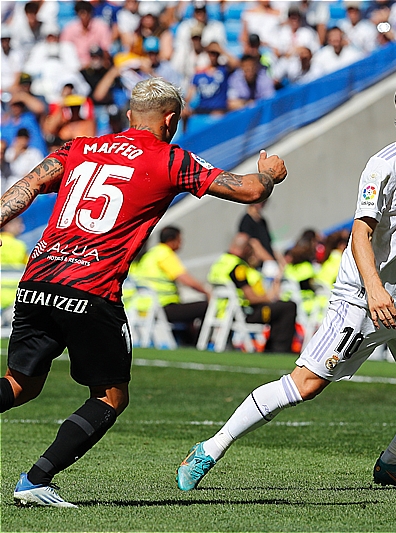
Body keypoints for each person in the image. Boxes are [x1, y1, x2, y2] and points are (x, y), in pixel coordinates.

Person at [175, 73, 396, 493]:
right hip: (361, 299)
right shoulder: (384, 166)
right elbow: (360, 233)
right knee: (305, 386)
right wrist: (374, 290)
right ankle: (209, 449)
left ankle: (392, 463)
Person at [0, 77, 288, 508]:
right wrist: (268, 174)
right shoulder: (171, 159)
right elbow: (249, 190)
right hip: (89, 291)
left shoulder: (78, 147)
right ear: (171, 120)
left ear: (130, 115)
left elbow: (25, 188)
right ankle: (36, 479)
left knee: (19, 384)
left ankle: (37, 480)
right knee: (111, 396)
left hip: (38, 280)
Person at [207, 233, 297, 353]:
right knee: (288, 307)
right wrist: (269, 297)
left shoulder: (221, 261)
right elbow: (251, 298)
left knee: (280, 308)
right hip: (243, 313)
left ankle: (272, 347)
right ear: (246, 249)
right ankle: (279, 349)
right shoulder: (238, 267)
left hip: (221, 311)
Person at [133, 225, 210, 346]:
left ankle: (187, 341)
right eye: (180, 239)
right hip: (163, 306)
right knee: (207, 306)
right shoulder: (165, 254)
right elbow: (185, 279)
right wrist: (206, 292)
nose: (181, 243)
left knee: (188, 310)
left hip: (144, 307)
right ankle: (199, 344)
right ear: (172, 240)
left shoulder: (150, 254)